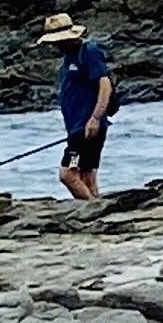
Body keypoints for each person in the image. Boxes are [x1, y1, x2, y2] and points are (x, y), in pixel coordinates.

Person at [44, 13, 116, 200]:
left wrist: (95, 118)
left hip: (86, 130)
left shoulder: (89, 52)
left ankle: (90, 209)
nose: (55, 45)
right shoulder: (70, 57)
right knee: (86, 174)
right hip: (78, 130)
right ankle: (97, 210)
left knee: (68, 173)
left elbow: (104, 84)